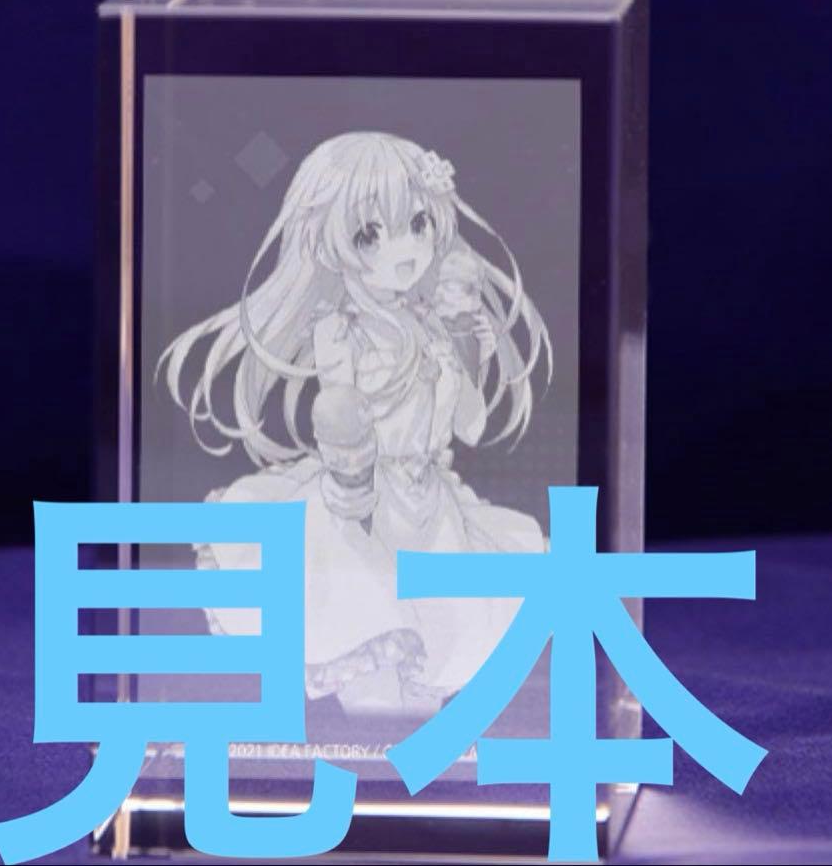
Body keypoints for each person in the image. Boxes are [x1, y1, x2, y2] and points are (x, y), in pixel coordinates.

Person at [158, 131, 552, 716]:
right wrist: (352, 478)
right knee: (366, 633)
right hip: (360, 501)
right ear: (332, 242)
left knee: (436, 649)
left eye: (418, 223)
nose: (406, 249)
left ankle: (401, 746)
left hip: (428, 502)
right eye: (370, 233)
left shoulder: (433, 328)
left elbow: (469, 426)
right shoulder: (341, 331)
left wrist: (465, 344)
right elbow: (338, 412)